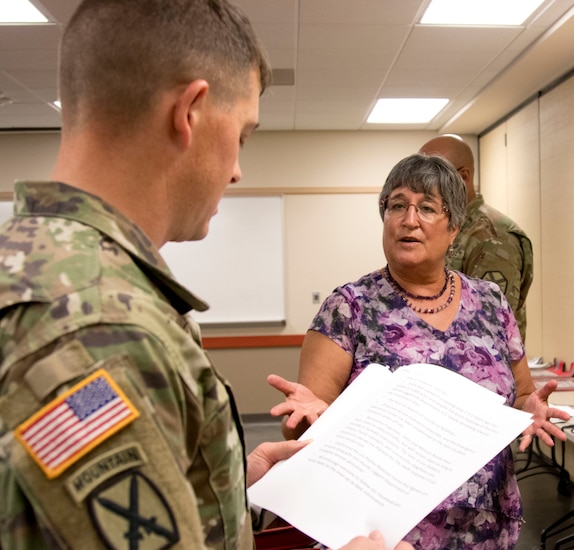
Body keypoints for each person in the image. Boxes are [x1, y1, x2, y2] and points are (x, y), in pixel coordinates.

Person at [0, 1, 408, 549]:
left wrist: (230, 491)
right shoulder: (100, 325)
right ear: (189, 112)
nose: (238, 169)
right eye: (241, 135)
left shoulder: (37, 263)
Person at [274, 153, 570, 550]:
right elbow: (306, 428)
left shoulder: (490, 302)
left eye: (427, 208)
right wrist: (302, 421)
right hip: (384, 537)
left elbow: (518, 396)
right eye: (397, 205)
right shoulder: (350, 307)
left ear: (454, 229)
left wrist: (527, 411)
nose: (408, 219)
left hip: (485, 528)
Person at [418, 135, 534, 342]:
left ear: (463, 177)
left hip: (480, 367)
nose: (421, 186)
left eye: (432, 175)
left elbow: (488, 328)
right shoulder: (445, 226)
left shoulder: (492, 236)